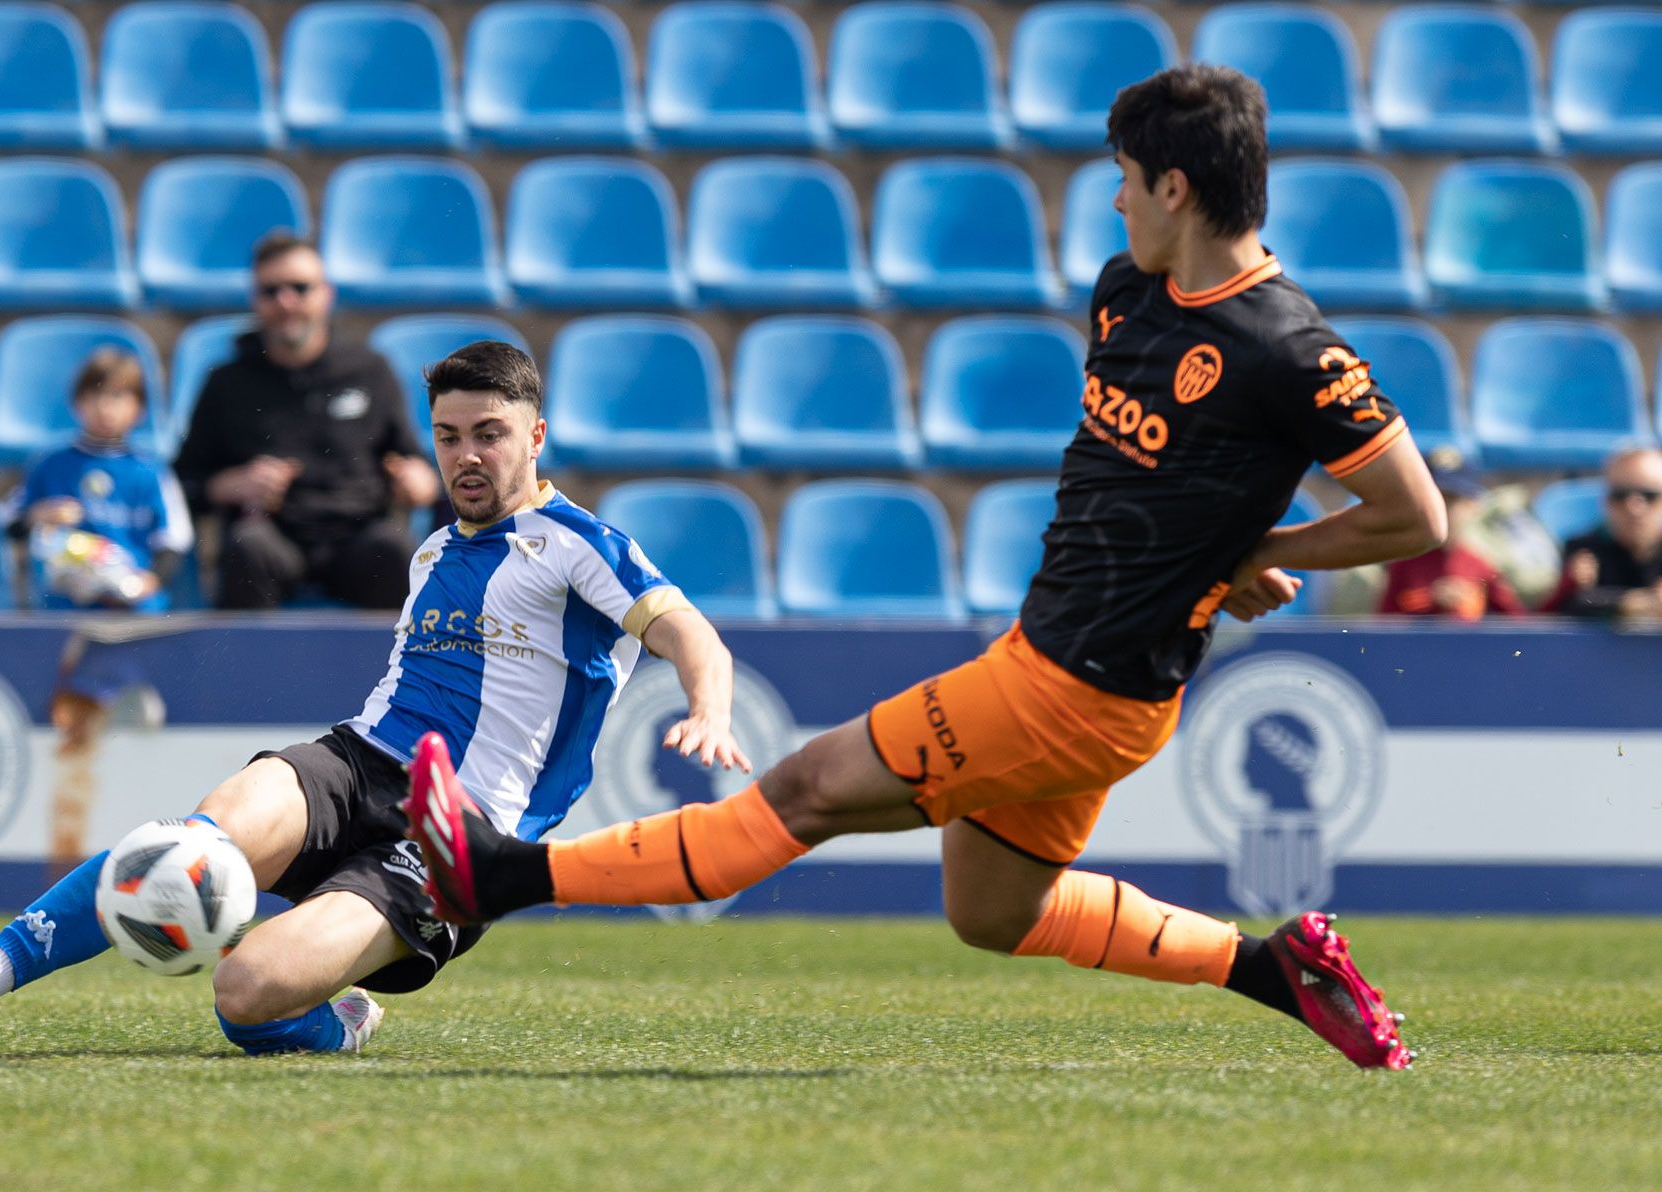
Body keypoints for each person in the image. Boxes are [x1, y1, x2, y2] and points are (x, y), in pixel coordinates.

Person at [403, 66, 1447, 1072]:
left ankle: (500, 875)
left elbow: (1414, 514)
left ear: (1175, 187)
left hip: (1077, 689)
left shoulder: (1294, 349)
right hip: (1073, 664)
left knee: (806, 787)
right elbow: (1164, 483)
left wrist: (1252, 554)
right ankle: (1282, 970)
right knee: (993, 909)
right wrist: (1216, 555)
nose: (1113, 195)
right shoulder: (1128, 289)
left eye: (1125, 174)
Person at [0, 341, 749, 1056]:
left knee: (245, 993)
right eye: (449, 436)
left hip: (462, 832)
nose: (468, 456)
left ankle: (337, 1022)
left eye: (491, 433)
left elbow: (689, 632)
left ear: (535, 437)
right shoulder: (435, 551)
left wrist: (707, 708)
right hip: (357, 760)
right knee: (181, 846)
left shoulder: (578, 545)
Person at [175, 231, 440, 611]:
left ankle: (398, 673)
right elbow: (183, 482)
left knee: (393, 550)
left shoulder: (369, 370)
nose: (286, 302)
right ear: (255, 299)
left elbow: (414, 464)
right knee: (247, 548)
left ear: (325, 294)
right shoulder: (227, 382)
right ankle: (246, 673)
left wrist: (418, 482)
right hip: (273, 537)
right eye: (271, 291)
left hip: (358, 534)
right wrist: (229, 485)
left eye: (300, 288)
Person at [3, 349, 193, 614]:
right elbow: (9, 523)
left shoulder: (151, 471)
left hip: (135, 609)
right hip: (65, 608)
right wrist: (37, 515)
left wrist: (147, 583)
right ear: (77, 403)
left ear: (139, 409)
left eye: (117, 396)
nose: (105, 408)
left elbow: (174, 540)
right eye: (95, 396)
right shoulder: (50, 463)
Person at [1377, 466, 1523, 619]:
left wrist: (1473, 603)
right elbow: (1384, 623)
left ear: (1472, 506)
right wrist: (1430, 599)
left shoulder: (1482, 565)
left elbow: (1517, 623)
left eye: (1451, 502)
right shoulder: (1405, 564)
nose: (1443, 510)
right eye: (1436, 501)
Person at [1544, 446, 1662, 620]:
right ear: (1605, 501)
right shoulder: (1584, 549)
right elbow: (1567, 605)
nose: (1634, 507)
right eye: (1621, 495)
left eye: (1649, 495)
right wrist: (1632, 603)